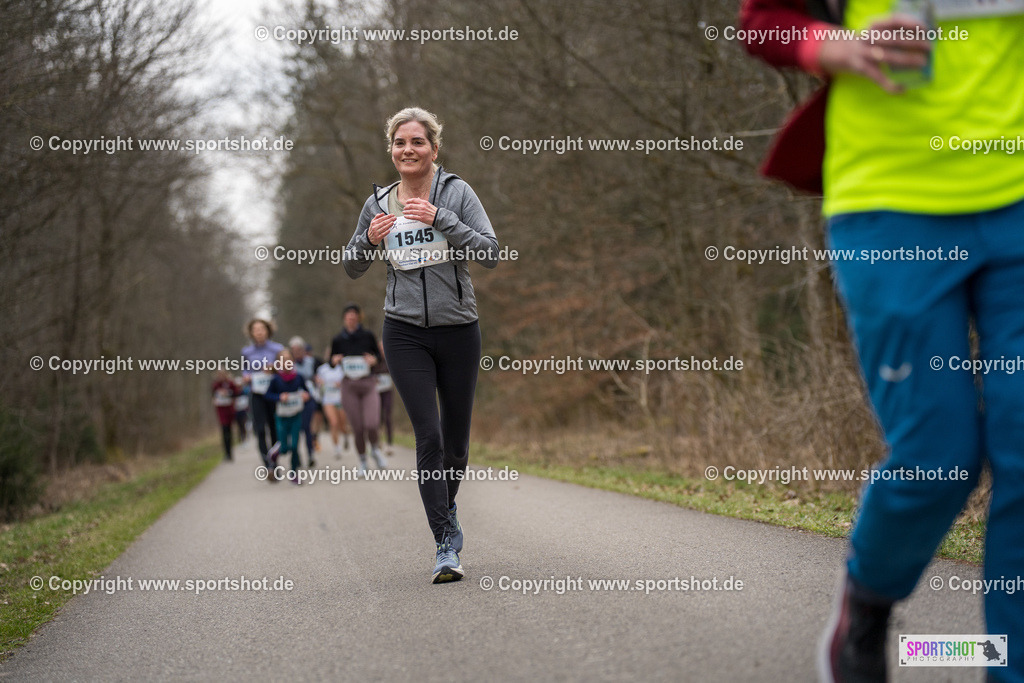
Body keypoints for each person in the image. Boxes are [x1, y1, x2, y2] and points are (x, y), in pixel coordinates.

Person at [740, 2, 1024, 681]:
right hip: (890, 201)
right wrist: (833, 47)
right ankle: (867, 602)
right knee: (940, 451)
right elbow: (763, 20)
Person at [344, 107, 499, 583]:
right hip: (404, 332)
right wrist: (368, 242)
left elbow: (490, 252)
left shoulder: (457, 193)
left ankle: (446, 511)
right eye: (399, 143)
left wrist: (443, 219)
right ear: (391, 150)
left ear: (434, 148)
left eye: (417, 142)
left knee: (455, 446)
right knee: (427, 436)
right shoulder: (379, 202)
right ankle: (444, 542)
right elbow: (351, 265)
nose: (408, 150)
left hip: (458, 331)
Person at [330, 304, 386, 475]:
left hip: (368, 383)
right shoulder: (338, 339)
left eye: (354, 315)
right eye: (348, 315)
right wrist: (335, 360)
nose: (351, 318)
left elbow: (379, 357)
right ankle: (362, 461)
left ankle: (375, 449)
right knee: (358, 427)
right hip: (349, 386)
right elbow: (330, 362)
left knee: (371, 423)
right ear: (344, 318)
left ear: (358, 317)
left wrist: (373, 360)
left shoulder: (368, 336)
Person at [240, 318, 284, 466]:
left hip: (272, 393)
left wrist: (274, 369)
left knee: (274, 428)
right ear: (251, 333)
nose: (259, 332)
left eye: (262, 329)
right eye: (256, 329)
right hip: (256, 394)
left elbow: (285, 368)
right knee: (259, 429)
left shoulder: (277, 349)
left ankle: (274, 462)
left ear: (268, 330)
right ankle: (267, 464)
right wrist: (246, 376)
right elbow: (245, 370)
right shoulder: (246, 352)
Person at [265, 348, 309, 485]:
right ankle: (274, 454)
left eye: (288, 360)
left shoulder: (299, 377)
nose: (286, 363)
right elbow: (267, 395)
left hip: (296, 415)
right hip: (282, 417)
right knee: (284, 448)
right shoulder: (276, 379)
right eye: (283, 360)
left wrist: (306, 395)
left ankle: (294, 473)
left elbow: (307, 392)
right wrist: (279, 397)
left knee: (295, 445)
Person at [289, 336, 321, 468]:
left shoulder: (311, 361)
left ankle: (310, 455)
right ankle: (296, 457)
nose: (297, 352)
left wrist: (317, 379)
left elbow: (319, 373)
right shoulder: (288, 364)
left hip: (308, 397)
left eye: (299, 349)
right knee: (296, 430)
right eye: (294, 350)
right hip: (293, 400)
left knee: (307, 428)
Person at [315, 353, 351, 459]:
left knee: (342, 425)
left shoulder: (343, 369)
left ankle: (345, 434)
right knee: (333, 422)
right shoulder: (322, 369)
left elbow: (349, 383)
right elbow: (318, 383)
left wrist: (342, 384)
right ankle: (337, 448)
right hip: (328, 399)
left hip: (340, 399)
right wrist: (319, 383)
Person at [211, 371, 240, 461]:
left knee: (229, 430)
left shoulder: (230, 383)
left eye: (222, 374)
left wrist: (228, 393)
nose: (221, 376)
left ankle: (230, 452)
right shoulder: (215, 385)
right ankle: (226, 453)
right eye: (219, 375)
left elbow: (236, 393)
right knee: (224, 430)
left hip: (230, 409)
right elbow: (213, 396)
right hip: (221, 410)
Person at [375, 339, 395, 456]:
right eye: (380, 349)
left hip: (387, 391)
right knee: (378, 416)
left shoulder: (390, 359)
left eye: (384, 348)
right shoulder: (375, 361)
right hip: (376, 392)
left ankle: (389, 443)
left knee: (388, 415)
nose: (382, 351)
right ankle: (378, 441)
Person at [233, 377, 250, 443]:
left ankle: (245, 436)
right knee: (239, 425)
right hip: (237, 411)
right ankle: (240, 437)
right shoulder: (234, 393)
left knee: (243, 423)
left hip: (244, 411)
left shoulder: (244, 392)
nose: (238, 387)